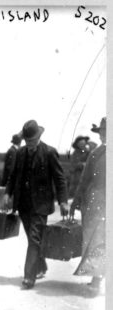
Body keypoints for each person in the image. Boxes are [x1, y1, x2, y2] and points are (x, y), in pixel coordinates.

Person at [3, 120, 69, 289]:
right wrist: (7, 194)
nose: (29, 144)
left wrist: (63, 201)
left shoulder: (49, 152)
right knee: (33, 239)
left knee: (34, 239)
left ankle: (28, 277)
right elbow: (13, 176)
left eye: (32, 141)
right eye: (27, 141)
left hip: (41, 205)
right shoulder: (20, 153)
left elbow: (59, 179)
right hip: (23, 204)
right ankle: (41, 266)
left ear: (38, 137)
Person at [71, 117, 106, 294]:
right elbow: (84, 181)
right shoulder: (95, 154)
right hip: (97, 203)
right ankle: (97, 279)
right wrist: (76, 201)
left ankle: (98, 279)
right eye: (102, 131)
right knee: (99, 241)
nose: (104, 134)